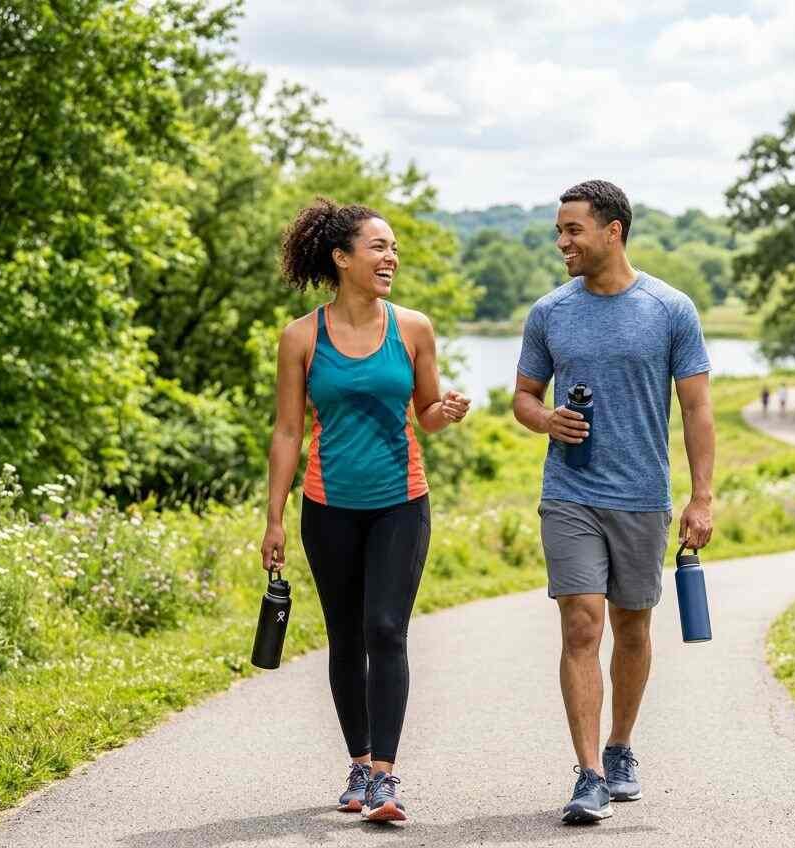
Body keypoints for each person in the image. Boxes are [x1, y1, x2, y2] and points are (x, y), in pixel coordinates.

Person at [261, 198, 471, 824]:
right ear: (341, 257)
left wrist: (445, 411)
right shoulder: (301, 337)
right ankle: (358, 763)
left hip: (400, 503)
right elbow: (288, 431)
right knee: (346, 636)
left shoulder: (414, 328)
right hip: (328, 507)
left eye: (394, 248)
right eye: (378, 247)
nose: (391, 258)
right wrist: (274, 518)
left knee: (385, 629)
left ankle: (384, 777)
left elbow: (426, 414)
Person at [512, 180, 715, 825]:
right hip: (569, 491)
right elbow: (523, 397)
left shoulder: (670, 309)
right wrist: (546, 420)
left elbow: (697, 409)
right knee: (581, 624)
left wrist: (701, 497)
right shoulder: (550, 312)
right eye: (559, 232)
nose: (562, 243)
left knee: (632, 628)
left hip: (641, 496)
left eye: (573, 230)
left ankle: (620, 747)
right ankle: (589, 775)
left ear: (613, 231)